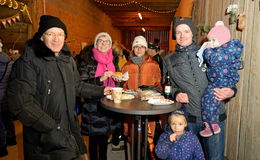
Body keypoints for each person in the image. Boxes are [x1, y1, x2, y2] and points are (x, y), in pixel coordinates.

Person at [7, 15, 111, 160]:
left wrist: (102, 90)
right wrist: (52, 127)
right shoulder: (29, 62)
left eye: (60, 34)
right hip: (44, 139)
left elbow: (77, 86)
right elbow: (21, 104)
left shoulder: (67, 60)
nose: (56, 39)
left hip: (69, 130)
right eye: (51, 34)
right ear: (42, 37)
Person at [163, 17, 236, 160]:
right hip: (188, 120)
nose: (182, 35)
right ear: (174, 35)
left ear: (193, 33)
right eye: (178, 32)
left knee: (215, 158)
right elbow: (166, 86)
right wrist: (176, 93)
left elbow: (226, 75)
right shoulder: (169, 60)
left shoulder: (210, 51)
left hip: (215, 117)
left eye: (186, 31)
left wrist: (232, 91)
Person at [77, 32, 122, 160]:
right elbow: (81, 85)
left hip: (109, 106)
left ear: (110, 45)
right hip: (93, 107)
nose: (104, 43)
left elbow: (117, 81)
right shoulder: (87, 61)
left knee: (104, 140)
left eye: (107, 41)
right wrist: (100, 79)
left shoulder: (113, 60)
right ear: (96, 44)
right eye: (100, 41)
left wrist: (119, 79)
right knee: (94, 141)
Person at [199, 21, 243, 137]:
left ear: (222, 40)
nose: (211, 43)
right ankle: (210, 124)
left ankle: (212, 125)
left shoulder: (223, 52)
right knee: (208, 99)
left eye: (213, 40)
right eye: (210, 41)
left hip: (221, 82)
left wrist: (207, 50)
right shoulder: (225, 50)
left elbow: (213, 60)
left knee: (209, 100)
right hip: (219, 80)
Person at [121, 35, 162, 159]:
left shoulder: (154, 64)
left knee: (148, 135)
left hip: (148, 105)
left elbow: (158, 85)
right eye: (136, 47)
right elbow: (123, 86)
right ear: (133, 49)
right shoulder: (126, 66)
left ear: (145, 49)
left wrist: (152, 93)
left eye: (142, 47)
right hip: (131, 106)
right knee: (134, 136)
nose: (139, 49)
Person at [0, 37, 16, 157]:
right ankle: (12, 139)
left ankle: (2, 148)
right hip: (6, 96)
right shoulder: (10, 62)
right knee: (7, 120)